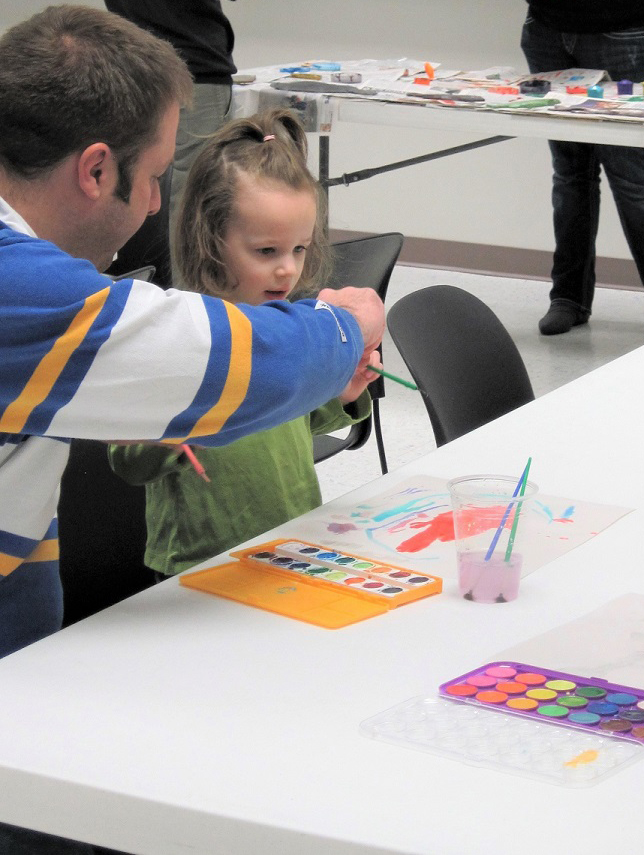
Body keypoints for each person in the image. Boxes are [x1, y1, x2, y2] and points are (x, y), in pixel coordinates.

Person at [0, 5, 384, 660]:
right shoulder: (27, 293)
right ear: (95, 171)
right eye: (153, 177)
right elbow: (256, 364)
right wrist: (347, 323)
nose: (156, 203)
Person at [109, 108, 379, 577]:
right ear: (211, 238)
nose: (288, 270)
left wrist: (345, 393)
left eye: (299, 249)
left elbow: (301, 416)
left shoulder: (288, 329)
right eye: (266, 251)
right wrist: (170, 431)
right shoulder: (183, 335)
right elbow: (126, 462)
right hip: (198, 565)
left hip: (289, 545)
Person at [520, 0, 644, 338]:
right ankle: (568, 298)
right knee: (570, 173)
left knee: (631, 176)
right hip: (547, 28)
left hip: (621, 30)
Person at [103, 0, 237, 285]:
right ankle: (190, 312)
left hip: (134, 65)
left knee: (133, 185)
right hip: (194, 66)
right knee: (196, 202)